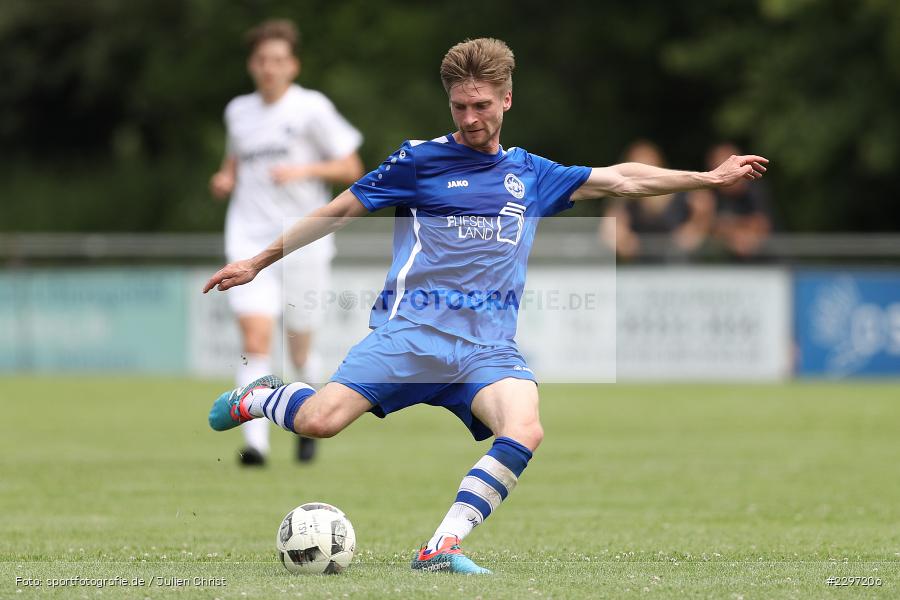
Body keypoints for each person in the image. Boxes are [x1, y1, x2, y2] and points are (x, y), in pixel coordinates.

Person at [204, 38, 767, 573]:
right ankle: (263, 396)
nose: (469, 118)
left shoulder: (531, 174)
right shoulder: (419, 162)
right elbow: (338, 212)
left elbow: (621, 179)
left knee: (525, 429)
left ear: (507, 99)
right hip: (412, 336)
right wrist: (259, 260)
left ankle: (441, 546)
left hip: (486, 349)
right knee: (317, 423)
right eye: (458, 107)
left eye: (480, 105)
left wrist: (707, 178)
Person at [208, 19, 364, 467]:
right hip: (247, 235)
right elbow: (234, 163)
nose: (269, 68)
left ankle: (307, 412)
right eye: (261, 60)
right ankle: (255, 444)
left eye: (278, 60)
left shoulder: (311, 108)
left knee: (299, 347)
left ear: (292, 65)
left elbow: (351, 166)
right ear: (251, 65)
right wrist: (225, 178)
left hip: (303, 238)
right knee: (255, 338)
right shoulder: (238, 111)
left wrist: (303, 172)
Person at [599, 140, 711, 262]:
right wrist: (621, 239)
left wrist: (692, 231)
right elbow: (610, 231)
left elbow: (704, 209)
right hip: (643, 267)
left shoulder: (683, 193)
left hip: (681, 264)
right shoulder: (625, 202)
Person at [690, 142, 773, 260]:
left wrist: (726, 227)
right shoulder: (706, 195)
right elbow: (694, 235)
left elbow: (761, 225)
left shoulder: (754, 190)